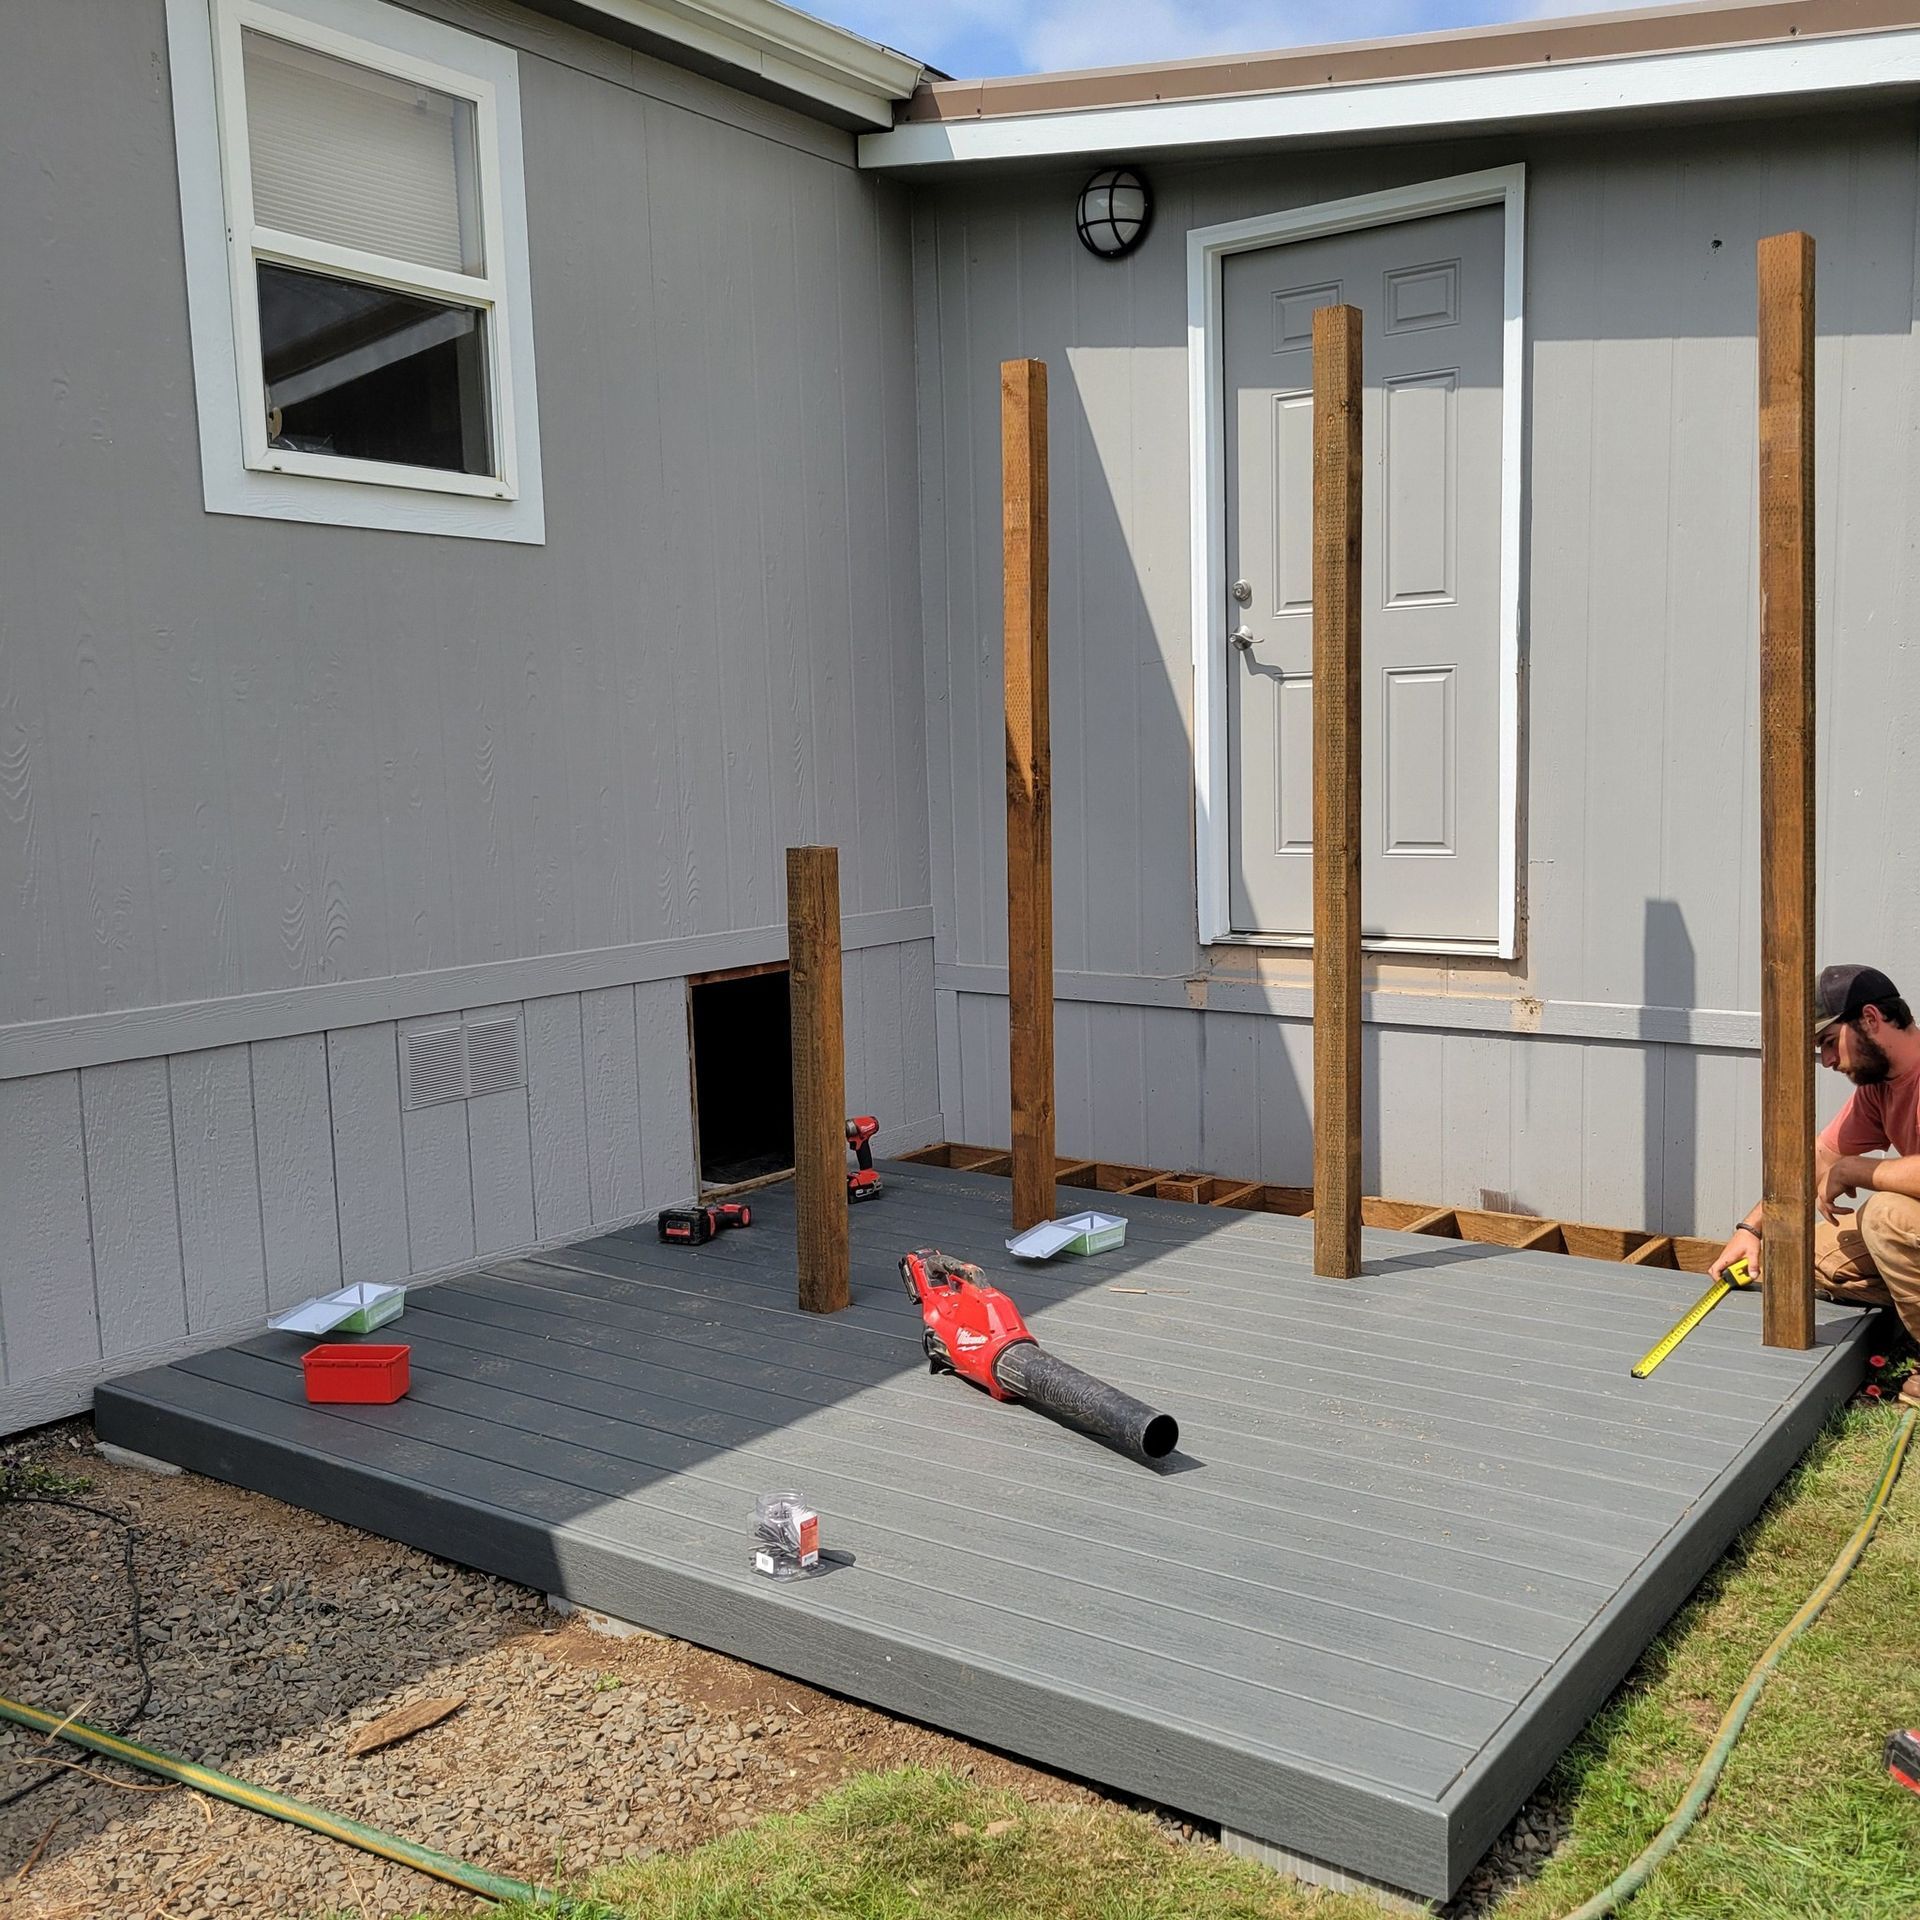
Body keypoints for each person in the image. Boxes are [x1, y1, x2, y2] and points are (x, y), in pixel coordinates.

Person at [1709, 963, 1920, 1405]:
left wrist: (1857, 1170)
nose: (1826, 1061)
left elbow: (1846, 1168)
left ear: (1870, 1018)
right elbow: (1818, 1159)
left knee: (1884, 1217)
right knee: (1805, 1256)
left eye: (1827, 1042)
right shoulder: (1880, 1087)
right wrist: (1751, 1232)